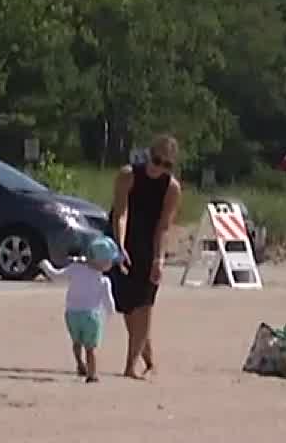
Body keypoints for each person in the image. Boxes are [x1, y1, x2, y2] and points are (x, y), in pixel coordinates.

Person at [108, 134, 184, 380]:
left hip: (149, 245)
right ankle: (148, 358)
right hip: (123, 240)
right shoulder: (128, 175)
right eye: (156, 160)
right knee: (129, 306)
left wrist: (158, 260)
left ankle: (130, 366)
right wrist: (120, 246)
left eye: (166, 164)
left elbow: (164, 226)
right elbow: (121, 213)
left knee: (145, 304)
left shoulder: (172, 188)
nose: (159, 167)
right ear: (148, 155)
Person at [39, 235, 121, 383]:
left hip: (72, 314)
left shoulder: (75, 269)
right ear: (105, 263)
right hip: (91, 316)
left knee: (77, 342)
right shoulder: (103, 280)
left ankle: (79, 363)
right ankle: (92, 374)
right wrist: (110, 313)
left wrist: (45, 265)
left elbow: (56, 276)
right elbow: (108, 301)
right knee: (91, 348)